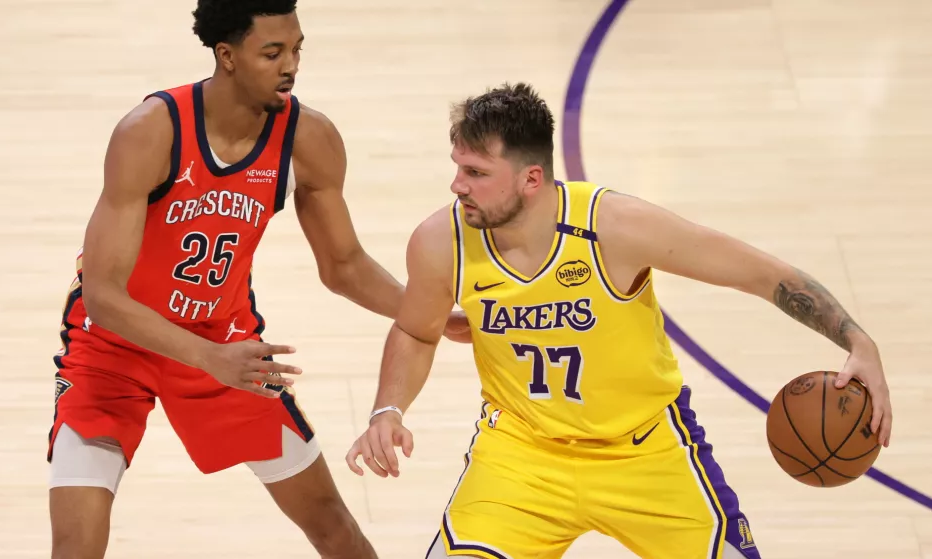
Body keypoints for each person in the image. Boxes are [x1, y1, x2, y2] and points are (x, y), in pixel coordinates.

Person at [345, 83, 893, 559]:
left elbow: (760, 275)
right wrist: (387, 409)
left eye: (476, 172)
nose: (457, 185)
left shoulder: (616, 227)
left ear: (531, 178)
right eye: (457, 168)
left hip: (648, 451)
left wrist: (857, 340)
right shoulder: (442, 242)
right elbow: (416, 331)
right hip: (521, 456)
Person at [46, 1, 468, 558]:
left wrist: (428, 312)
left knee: (332, 525)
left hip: (226, 343)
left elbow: (344, 266)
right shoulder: (150, 132)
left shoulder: (309, 138)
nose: (290, 65)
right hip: (114, 348)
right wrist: (207, 357)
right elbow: (102, 296)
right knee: (75, 547)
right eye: (272, 53)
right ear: (227, 56)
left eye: (296, 49)